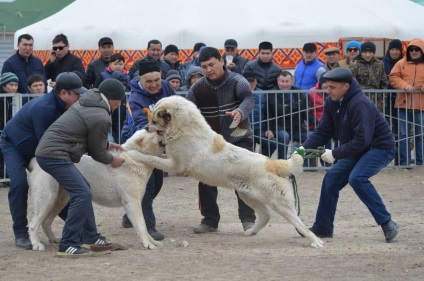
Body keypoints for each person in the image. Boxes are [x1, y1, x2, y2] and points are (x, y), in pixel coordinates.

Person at [302, 67, 399, 243]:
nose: (328, 91)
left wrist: (335, 154)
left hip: (380, 148)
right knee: (331, 178)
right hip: (356, 149)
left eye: (332, 87)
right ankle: (323, 228)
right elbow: (323, 131)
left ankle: (387, 223)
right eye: (327, 86)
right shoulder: (333, 101)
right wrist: (300, 151)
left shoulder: (360, 103)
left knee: (357, 178)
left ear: (346, 86)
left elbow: (362, 139)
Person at [35, 78, 126, 258]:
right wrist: (112, 160)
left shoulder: (89, 103)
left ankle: (90, 236)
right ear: (114, 98)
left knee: (84, 190)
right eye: (121, 100)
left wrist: (106, 146)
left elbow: (84, 136)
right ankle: (68, 244)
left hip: (50, 152)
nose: (121, 104)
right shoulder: (101, 116)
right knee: (82, 193)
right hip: (54, 155)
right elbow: (96, 153)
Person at [1, 72, 86, 250]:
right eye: (76, 94)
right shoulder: (44, 108)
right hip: (14, 144)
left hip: (37, 146)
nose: (79, 97)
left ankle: (81, 229)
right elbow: (48, 144)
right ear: (64, 93)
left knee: (61, 182)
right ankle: (21, 232)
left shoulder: (65, 106)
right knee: (19, 183)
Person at [186, 47, 256, 233]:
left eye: (212, 64)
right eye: (204, 66)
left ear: (222, 61)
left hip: (239, 138)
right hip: (210, 142)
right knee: (205, 179)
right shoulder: (197, 88)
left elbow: (248, 100)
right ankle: (209, 220)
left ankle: (248, 219)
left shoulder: (237, 81)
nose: (208, 69)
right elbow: (188, 113)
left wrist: (239, 112)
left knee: (243, 178)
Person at [121, 59, 175, 240]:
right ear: (140, 80)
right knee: (147, 187)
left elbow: (176, 108)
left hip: (158, 144)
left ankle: (130, 215)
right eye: (149, 82)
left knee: (158, 183)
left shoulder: (167, 88)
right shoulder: (135, 99)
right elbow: (142, 126)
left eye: (157, 80)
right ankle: (149, 226)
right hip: (139, 145)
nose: (154, 85)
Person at [389, 38, 424, 166]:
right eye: (411, 49)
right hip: (402, 104)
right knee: (403, 135)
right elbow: (393, 77)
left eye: (417, 49)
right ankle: (405, 162)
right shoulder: (401, 63)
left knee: (421, 134)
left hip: (421, 105)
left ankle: (421, 162)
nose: (414, 52)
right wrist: (404, 85)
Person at [264, 71, 308, 159]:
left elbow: (304, 105)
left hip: (296, 127)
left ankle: (306, 164)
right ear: (278, 81)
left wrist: (286, 107)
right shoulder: (272, 93)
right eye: (282, 81)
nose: (284, 84)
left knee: (311, 136)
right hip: (279, 127)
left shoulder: (298, 91)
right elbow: (278, 110)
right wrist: (296, 105)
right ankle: (282, 162)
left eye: (287, 81)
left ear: (292, 81)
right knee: (284, 136)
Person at [350, 41, 389, 112]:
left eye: (370, 52)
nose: (368, 55)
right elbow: (352, 83)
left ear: (374, 53)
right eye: (365, 52)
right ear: (361, 52)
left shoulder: (380, 64)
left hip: (377, 101)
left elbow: (384, 83)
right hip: (360, 99)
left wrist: (382, 99)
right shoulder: (355, 65)